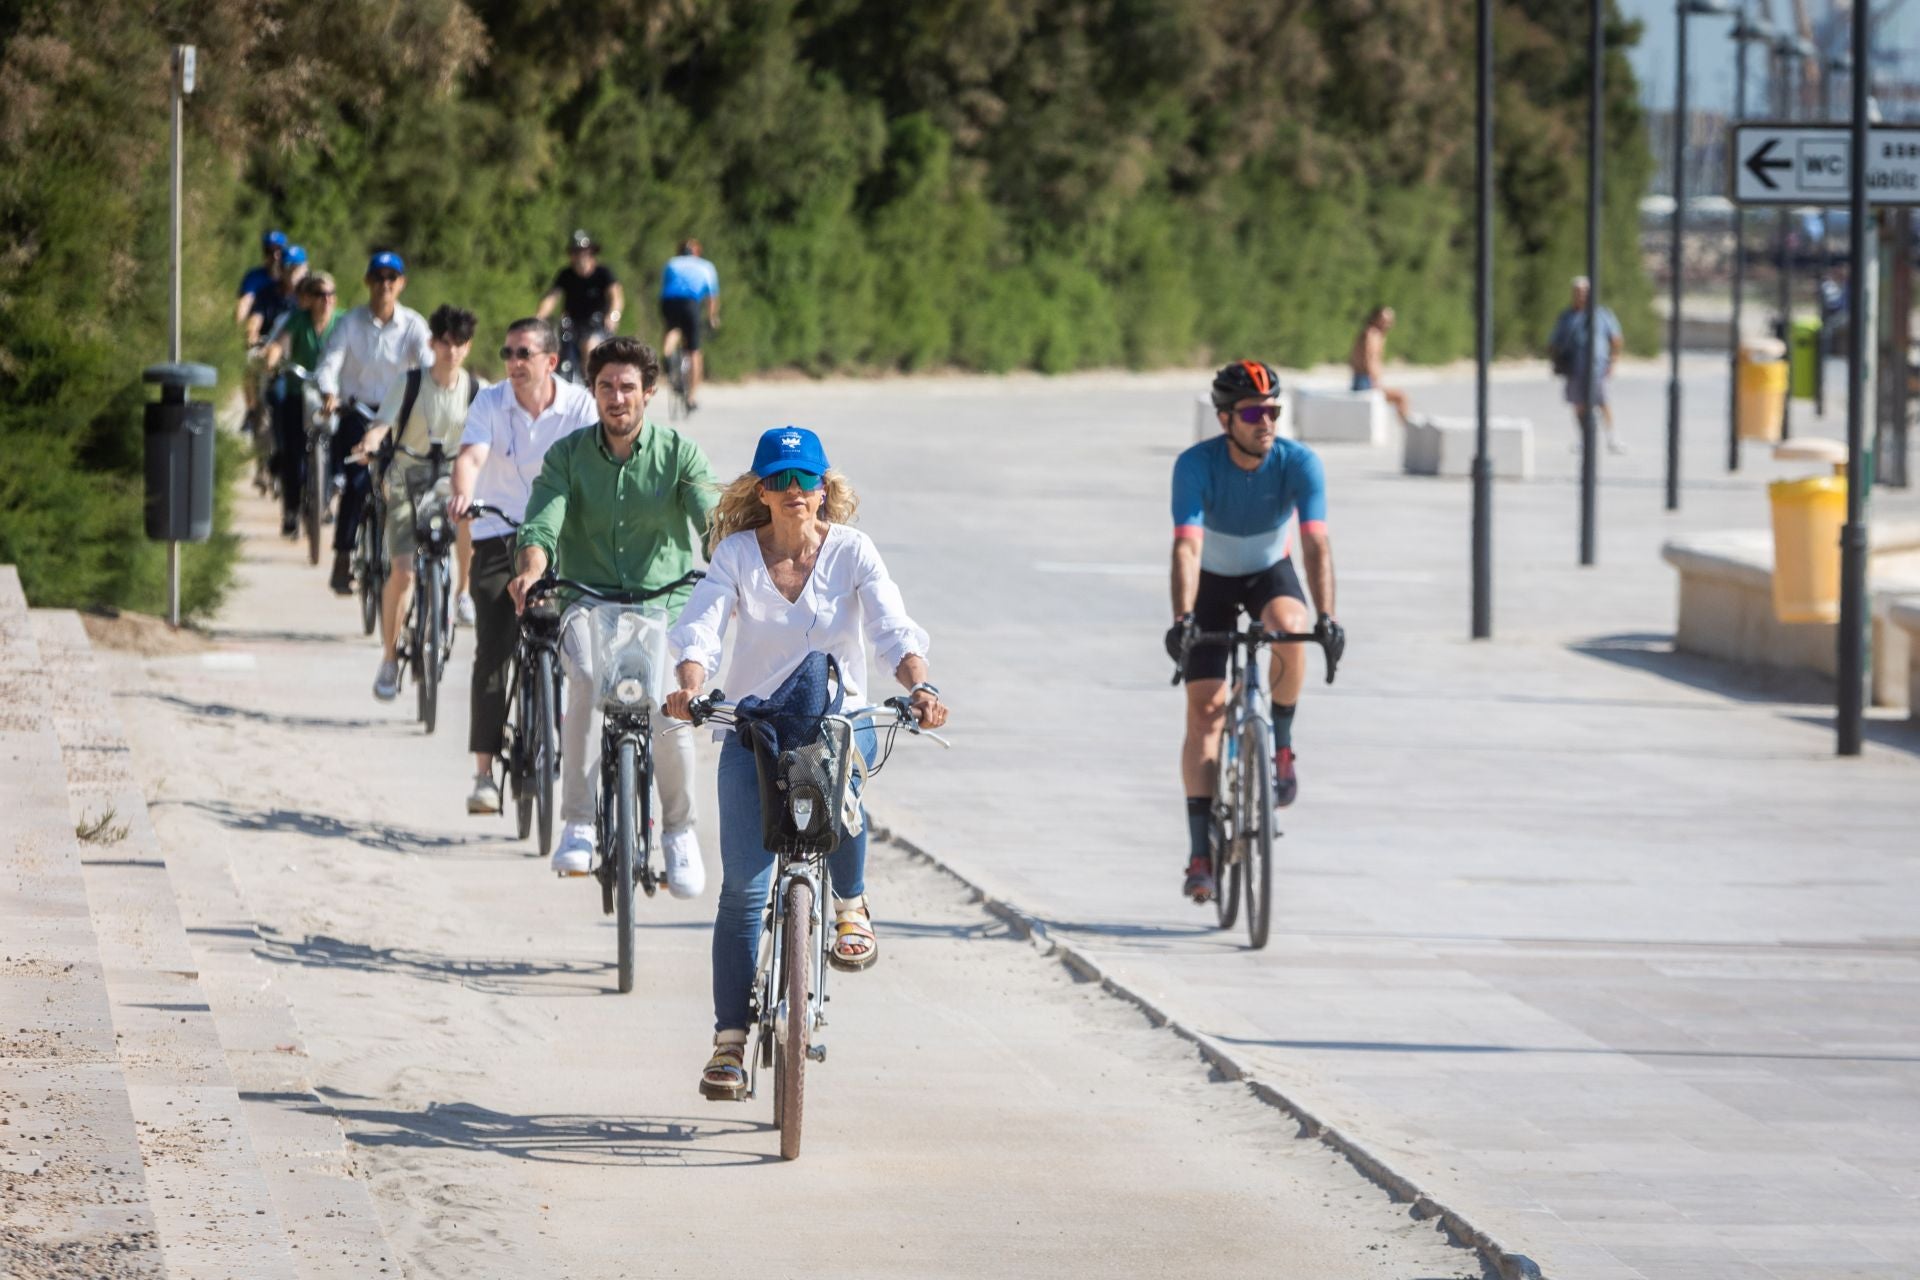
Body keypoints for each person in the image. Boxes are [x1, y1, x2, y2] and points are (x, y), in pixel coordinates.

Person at [662, 425, 948, 1102]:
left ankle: (850, 905)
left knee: (840, 756)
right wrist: (691, 683)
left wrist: (919, 685)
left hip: (836, 721)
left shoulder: (852, 552)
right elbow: (701, 624)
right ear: (761, 490)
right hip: (755, 728)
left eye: (806, 479)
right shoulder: (735, 554)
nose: (795, 492)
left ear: (825, 488)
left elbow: (889, 628)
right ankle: (729, 1044)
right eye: (781, 480)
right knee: (743, 890)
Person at [507, 338, 715, 884]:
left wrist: (731, 564)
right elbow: (541, 525)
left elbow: (712, 522)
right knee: (588, 678)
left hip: (663, 602)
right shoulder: (567, 455)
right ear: (593, 393)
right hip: (587, 598)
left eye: (628, 387)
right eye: (605, 387)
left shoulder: (679, 454)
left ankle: (677, 831)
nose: (616, 398)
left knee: (671, 698)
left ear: (649, 392)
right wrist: (532, 568)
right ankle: (577, 823)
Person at [1167, 360, 1344, 905]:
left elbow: (1315, 544)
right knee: (1205, 711)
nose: (1265, 421)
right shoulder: (1196, 466)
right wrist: (1183, 622)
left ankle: (1281, 745)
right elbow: (1187, 547)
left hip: (1269, 572)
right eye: (1252, 412)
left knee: (1291, 631)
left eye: (1272, 411)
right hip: (1213, 582)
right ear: (1225, 420)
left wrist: (1328, 617)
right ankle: (1201, 853)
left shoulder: (1299, 462)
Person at [449, 318, 598, 816]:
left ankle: (561, 721)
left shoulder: (578, 405)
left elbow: (598, 460)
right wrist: (464, 491)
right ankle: (483, 775)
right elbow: (471, 455)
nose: (513, 362)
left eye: (524, 354)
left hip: (558, 533)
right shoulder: (491, 401)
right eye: (508, 352)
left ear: (550, 361)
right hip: (496, 529)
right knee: (493, 646)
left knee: (575, 637)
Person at [357, 305, 481, 701]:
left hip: (449, 477)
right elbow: (382, 425)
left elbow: (486, 438)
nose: (452, 351)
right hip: (406, 477)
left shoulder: (475, 389)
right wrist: (370, 443)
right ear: (432, 343)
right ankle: (390, 658)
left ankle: (462, 592)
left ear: (468, 346)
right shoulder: (410, 383)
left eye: (459, 344)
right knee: (404, 572)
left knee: (469, 512)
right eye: (445, 342)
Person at [316, 251, 433, 595]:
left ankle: (412, 554)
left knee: (411, 482)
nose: (385, 284)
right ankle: (343, 556)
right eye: (379, 277)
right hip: (357, 412)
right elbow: (330, 361)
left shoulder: (413, 324)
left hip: (399, 415)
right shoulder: (350, 322)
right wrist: (328, 392)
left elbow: (427, 362)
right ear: (368, 281)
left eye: (391, 278)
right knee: (355, 484)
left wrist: (430, 392)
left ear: (401, 284)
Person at [261, 272, 340, 537]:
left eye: (330, 294)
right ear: (307, 299)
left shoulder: (343, 322)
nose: (326, 300)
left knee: (344, 441)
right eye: (319, 294)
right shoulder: (298, 320)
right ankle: (292, 509)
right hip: (299, 393)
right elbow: (279, 344)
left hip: (332, 397)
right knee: (292, 452)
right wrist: (271, 359)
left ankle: (329, 493)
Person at [1547, 276, 1625, 455]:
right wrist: (1556, 360)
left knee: (1602, 401)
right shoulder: (1566, 317)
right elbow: (1554, 342)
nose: (1581, 296)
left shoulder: (1602, 314)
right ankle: (1583, 439)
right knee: (1578, 403)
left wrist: (1613, 361)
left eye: (1584, 292)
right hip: (1574, 367)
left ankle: (1612, 437)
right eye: (1578, 292)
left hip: (1598, 366)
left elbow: (1616, 339)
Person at [537, 230, 623, 365]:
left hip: (597, 325)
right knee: (552, 348)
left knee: (590, 346)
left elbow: (616, 296)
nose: (579, 256)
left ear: (591, 253)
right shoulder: (565, 274)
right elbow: (552, 297)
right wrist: (538, 318)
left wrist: (613, 316)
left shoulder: (603, 273)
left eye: (583, 251)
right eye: (575, 252)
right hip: (571, 326)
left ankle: (591, 382)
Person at [658, 238, 720, 409]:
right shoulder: (706, 266)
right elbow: (712, 297)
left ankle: (667, 354)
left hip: (668, 302)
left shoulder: (671, 263)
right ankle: (692, 397)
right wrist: (712, 317)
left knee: (673, 329)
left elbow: (665, 286)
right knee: (694, 351)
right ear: (697, 252)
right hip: (690, 304)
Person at [1348, 305, 1412, 425]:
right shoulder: (1371, 334)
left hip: (1364, 379)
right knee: (1401, 397)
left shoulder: (1374, 334)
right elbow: (1369, 359)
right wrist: (1374, 380)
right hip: (1365, 381)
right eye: (1384, 320)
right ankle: (1408, 429)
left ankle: (1407, 427)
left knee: (1398, 397)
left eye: (1390, 320)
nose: (1388, 323)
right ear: (1375, 318)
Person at [235, 229, 288, 347]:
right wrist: (239, 330)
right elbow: (245, 302)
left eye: (278, 251)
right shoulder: (254, 277)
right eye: (269, 251)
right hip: (257, 329)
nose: (274, 256)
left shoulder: (290, 282)